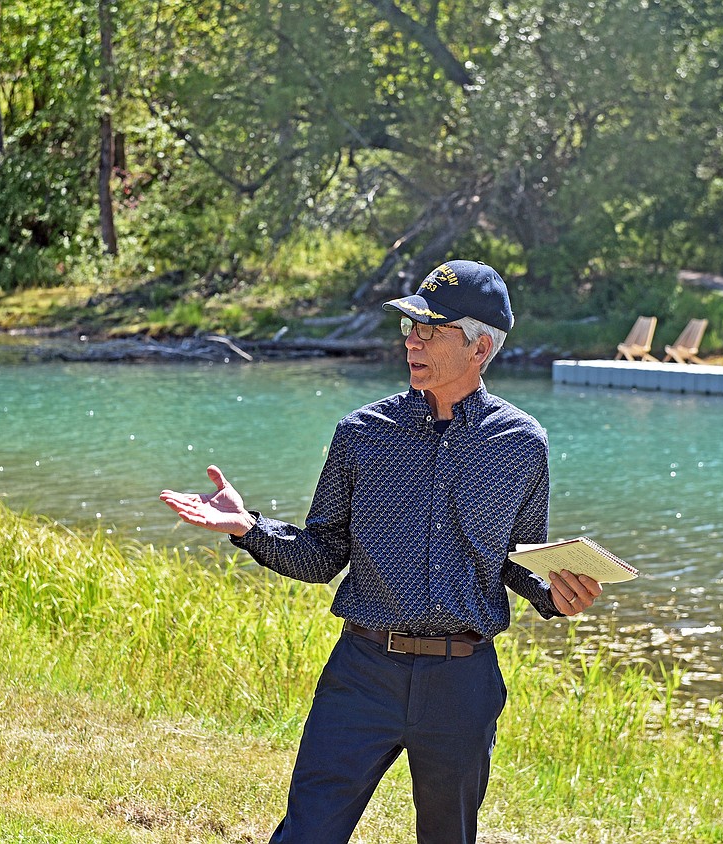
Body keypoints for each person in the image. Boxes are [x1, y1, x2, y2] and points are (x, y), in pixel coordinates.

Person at [159, 259, 602, 844]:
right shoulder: (361, 433)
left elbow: (518, 559)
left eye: (432, 330)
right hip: (362, 675)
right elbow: (323, 555)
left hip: (462, 684)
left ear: (480, 348)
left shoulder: (521, 444)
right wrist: (248, 527)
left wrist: (556, 595)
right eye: (410, 327)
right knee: (307, 834)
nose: (412, 341)